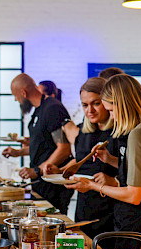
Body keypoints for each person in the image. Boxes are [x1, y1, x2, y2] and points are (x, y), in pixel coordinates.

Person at [66, 74, 141, 249]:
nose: (111, 116)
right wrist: (111, 160)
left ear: (123, 105)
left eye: (111, 110)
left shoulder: (137, 134)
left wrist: (92, 186)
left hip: (138, 219)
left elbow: (133, 195)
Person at [45, 77, 117, 239]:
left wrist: (113, 180)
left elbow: (132, 173)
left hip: (111, 211)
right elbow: (82, 163)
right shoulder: (83, 133)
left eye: (96, 103)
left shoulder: (118, 134)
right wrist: (60, 171)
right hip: (84, 209)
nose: (90, 110)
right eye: (85, 105)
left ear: (108, 102)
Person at [2, 73, 73, 213]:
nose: (16, 100)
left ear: (23, 92)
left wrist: (37, 170)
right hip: (41, 182)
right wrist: (18, 152)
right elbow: (43, 145)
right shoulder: (39, 110)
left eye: (16, 96)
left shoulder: (52, 108)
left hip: (53, 183)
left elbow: (64, 149)